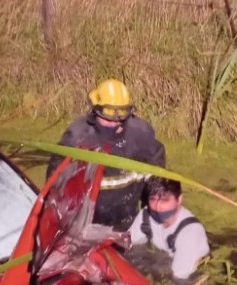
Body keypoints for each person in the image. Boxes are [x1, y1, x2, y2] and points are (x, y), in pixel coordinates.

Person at [46, 78, 166, 231]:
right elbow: (56, 185)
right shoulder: (77, 138)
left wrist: (153, 213)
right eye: (109, 113)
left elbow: (156, 176)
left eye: (121, 113)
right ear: (96, 109)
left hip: (130, 223)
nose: (115, 122)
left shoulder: (141, 134)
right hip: (87, 227)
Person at [128, 177, 210, 285]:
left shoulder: (190, 234)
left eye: (165, 200)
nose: (157, 207)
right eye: (153, 199)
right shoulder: (146, 215)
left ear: (179, 199)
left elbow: (180, 278)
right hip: (164, 259)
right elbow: (131, 245)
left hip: (188, 275)